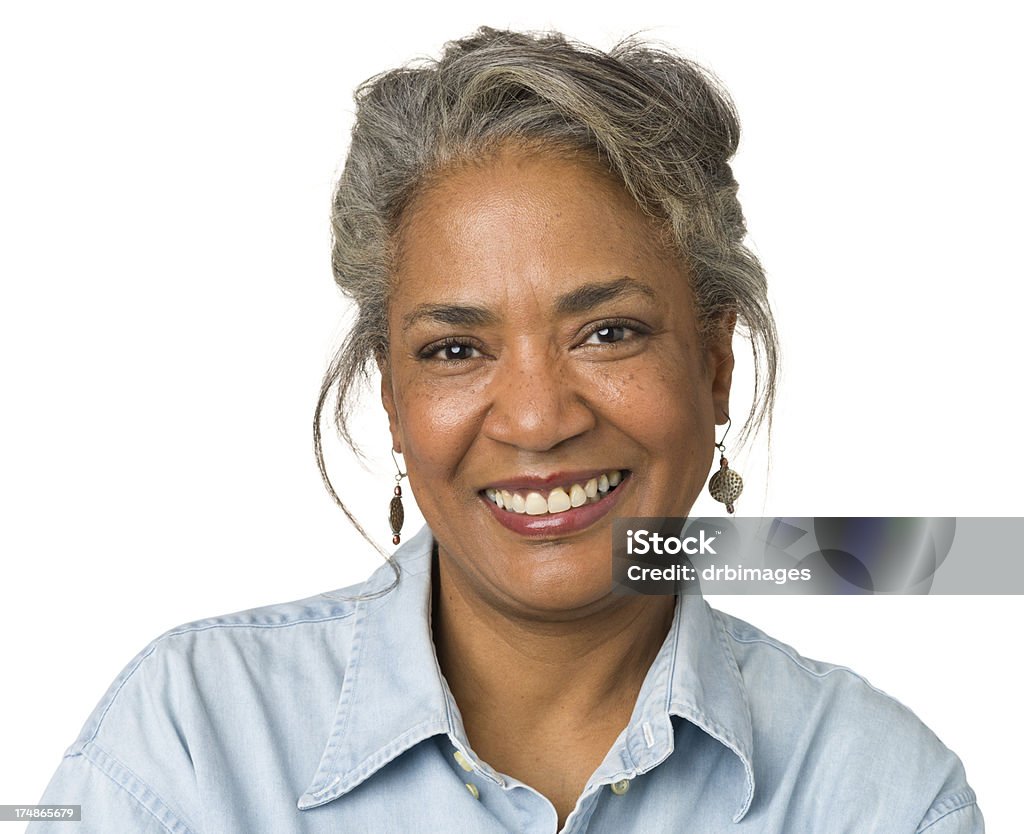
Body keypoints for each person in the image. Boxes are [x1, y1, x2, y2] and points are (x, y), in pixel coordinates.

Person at [31, 27, 982, 833]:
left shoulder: (878, 793)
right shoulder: (188, 738)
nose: (537, 418)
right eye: (454, 349)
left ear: (715, 365)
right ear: (392, 400)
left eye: (607, 334)